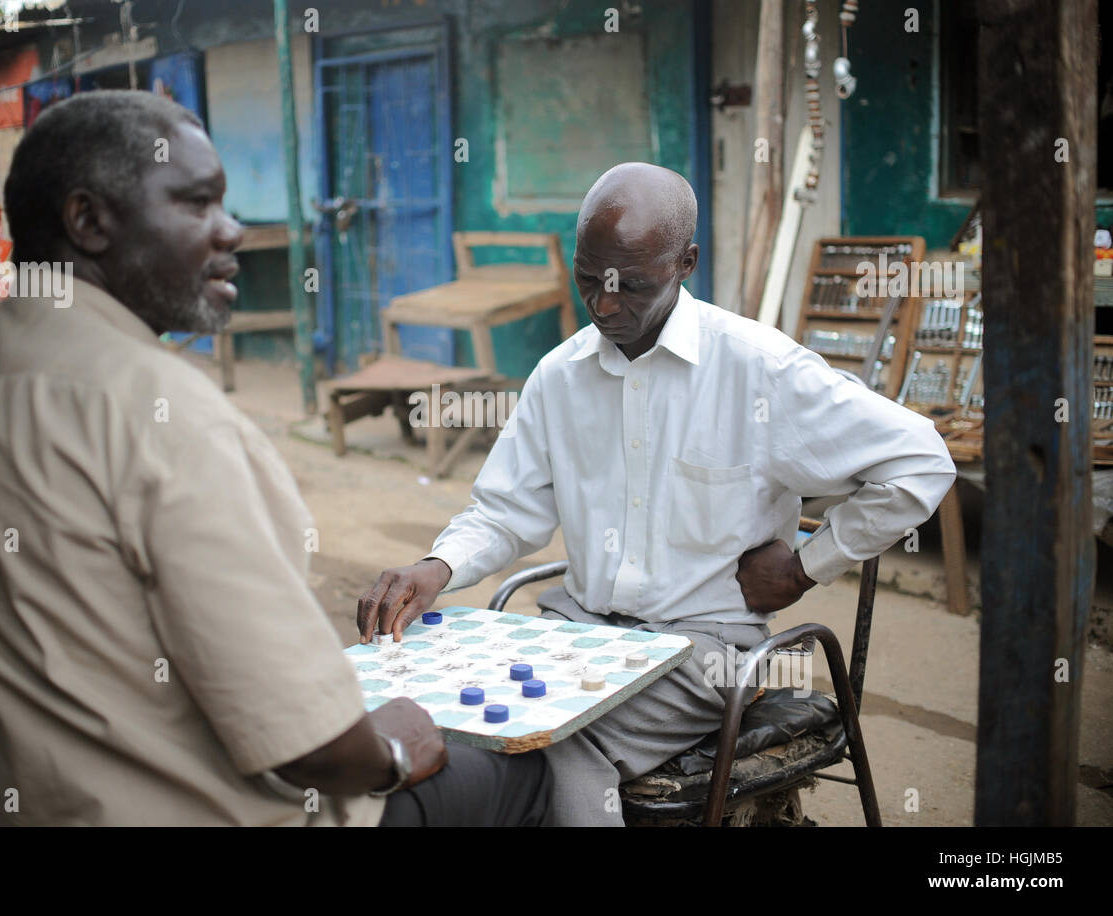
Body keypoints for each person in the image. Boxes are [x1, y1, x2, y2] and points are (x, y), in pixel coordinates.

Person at [0, 90, 548, 827]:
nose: (233, 231)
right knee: (526, 776)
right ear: (88, 222)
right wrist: (396, 751)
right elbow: (309, 746)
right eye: (198, 204)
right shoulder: (164, 414)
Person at [358, 162, 956, 826]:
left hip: (706, 652)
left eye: (630, 285)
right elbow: (505, 509)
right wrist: (436, 567)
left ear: (686, 262)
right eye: (589, 279)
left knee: (557, 738)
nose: (604, 304)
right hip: (579, 637)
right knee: (447, 711)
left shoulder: (761, 372)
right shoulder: (559, 377)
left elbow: (922, 461)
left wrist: (806, 567)